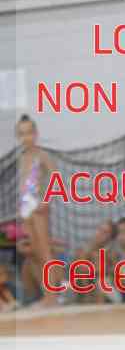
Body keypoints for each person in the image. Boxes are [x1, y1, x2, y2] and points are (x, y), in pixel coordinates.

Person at [16, 114, 63, 305]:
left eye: (29, 133)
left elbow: (56, 178)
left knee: (44, 251)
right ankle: (47, 293)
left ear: (35, 134)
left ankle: (52, 295)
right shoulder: (22, 157)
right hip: (26, 209)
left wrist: (46, 201)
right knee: (34, 252)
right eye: (21, 134)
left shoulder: (42, 155)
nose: (26, 137)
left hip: (38, 207)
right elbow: (23, 184)